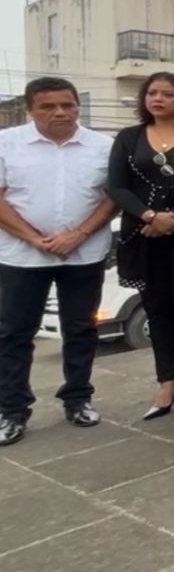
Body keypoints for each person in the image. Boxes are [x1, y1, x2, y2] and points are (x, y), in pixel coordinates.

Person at [0, 77, 116, 446]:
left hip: (83, 254)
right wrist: (34, 238)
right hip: (21, 257)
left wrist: (78, 234)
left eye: (67, 104)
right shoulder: (7, 143)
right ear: (30, 109)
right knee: (14, 334)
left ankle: (78, 399)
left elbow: (111, 197)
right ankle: (12, 411)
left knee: (81, 329)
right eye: (48, 106)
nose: (60, 112)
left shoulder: (102, 146)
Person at [108, 72, 174, 420]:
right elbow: (116, 186)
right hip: (143, 233)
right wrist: (150, 216)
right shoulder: (129, 138)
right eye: (152, 93)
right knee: (157, 307)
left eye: (167, 94)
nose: (158, 99)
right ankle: (167, 378)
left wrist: (172, 216)